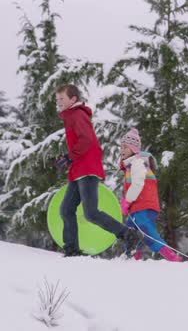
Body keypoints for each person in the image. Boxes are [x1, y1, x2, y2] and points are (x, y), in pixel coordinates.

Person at [54, 84, 142, 257]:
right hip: (79, 170)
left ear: (73, 99)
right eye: (57, 99)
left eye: (62, 98)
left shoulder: (77, 114)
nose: (59, 102)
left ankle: (128, 234)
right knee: (66, 210)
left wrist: (69, 157)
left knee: (91, 213)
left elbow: (87, 140)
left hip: (87, 169)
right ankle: (71, 249)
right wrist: (68, 157)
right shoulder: (71, 115)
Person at [119, 128, 182, 262]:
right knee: (130, 233)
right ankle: (131, 257)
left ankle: (171, 256)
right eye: (121, 147)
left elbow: (137, 185)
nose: (122, 150)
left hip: (145, 206)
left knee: (146, 230)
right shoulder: (129, 166)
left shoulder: (138, 163)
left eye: (125, 147)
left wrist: (127, 201)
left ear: (134, 149)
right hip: (136, 208)